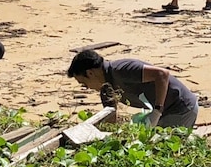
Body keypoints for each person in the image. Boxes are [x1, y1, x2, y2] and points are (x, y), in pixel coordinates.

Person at [66, 49, 199, 129]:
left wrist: (157, 111)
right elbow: (111, 118)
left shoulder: (121, 70)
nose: (87, 88)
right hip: (164, 114)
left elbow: (161, 74)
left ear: (90, 73)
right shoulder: (106, 90)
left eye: (84, 83)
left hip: (180, 106)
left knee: (166, 151)